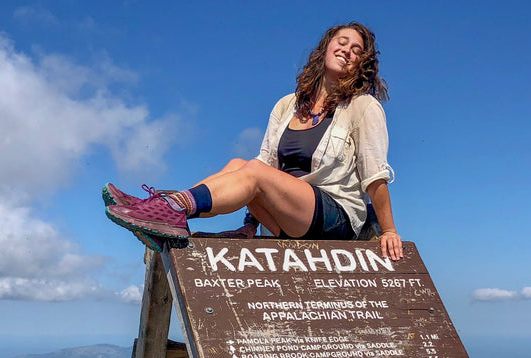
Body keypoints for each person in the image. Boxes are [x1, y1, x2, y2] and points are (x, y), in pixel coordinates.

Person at [105, 22, 402, 261]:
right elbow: (263, 168)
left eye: (357, 50)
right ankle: (163, 213)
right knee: (241, 164)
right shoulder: (287, 106)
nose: (347, 50)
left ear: (362, 64)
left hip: (335, 219)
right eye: (342, 42)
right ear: (326, 47)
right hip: (289, 221)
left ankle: (170, 209)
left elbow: (374, 174)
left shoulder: (362, 107)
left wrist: (388, 230)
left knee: (254, 171)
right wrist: (250, 226)